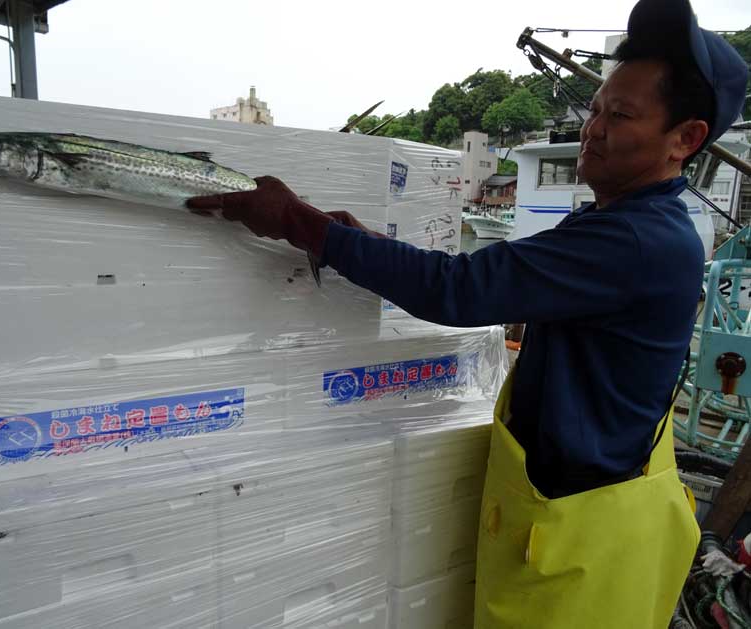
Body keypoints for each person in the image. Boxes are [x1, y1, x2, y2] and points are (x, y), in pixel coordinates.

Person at [188, 0, 748, 626]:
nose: (593, 129)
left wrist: (300, 223)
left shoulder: (636, 239)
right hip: (593, 508)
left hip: (582, 539)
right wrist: (360, 244)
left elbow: (458, 290)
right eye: (594, 110)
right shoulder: (634, 222)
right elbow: (487, 283)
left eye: (620, 115)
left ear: (686, 139)